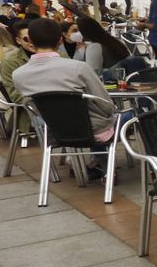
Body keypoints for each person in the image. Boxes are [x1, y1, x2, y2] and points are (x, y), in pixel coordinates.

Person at [11, 17, 117, 174]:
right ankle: (116, 170)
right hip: (94, 130)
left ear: (30, 40)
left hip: (55, 131)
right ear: (60, 40)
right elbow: (106, 106)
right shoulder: (79, 68)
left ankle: (97, 167)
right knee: (135, 116)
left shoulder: (18, 74)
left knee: (92, 119)